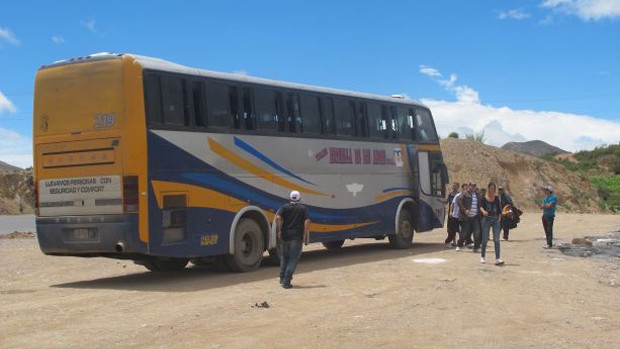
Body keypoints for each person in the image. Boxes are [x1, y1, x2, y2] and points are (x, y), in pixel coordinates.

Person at [275, 190, 311, 289]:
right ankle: (286, 281)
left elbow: (278, 217)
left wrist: (279, 230)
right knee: (293, 258)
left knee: (284, 257)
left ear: (290, 198)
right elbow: (307, 220)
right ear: (299, 199)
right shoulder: (303, 208)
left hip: (285, 236)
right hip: (296, 236)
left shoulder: (285, 207)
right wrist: (304, 233)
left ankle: (282, 278)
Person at [479, 182, 504, 265]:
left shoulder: (496, 198)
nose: (492, 190)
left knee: (496, 239)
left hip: (495, 220)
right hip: (486, 219)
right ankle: (482, 256)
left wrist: (499, 219)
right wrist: (483, 212)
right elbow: (480, 207)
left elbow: (500, 210)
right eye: (491, 188)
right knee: (485, 239)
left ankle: (497, 258)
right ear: (488, 188)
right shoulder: (484, 198)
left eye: (494, 189)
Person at [456, 182, 481, 252]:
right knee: (464, 233)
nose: (474, 187)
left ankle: (476, 247)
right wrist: (464, 210)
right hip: (466, 217)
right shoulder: (464, 194)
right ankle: (459, 245)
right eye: (472, 186)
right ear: (469, 186)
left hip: (475, 217)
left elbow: (480, 204)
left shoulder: (477, 194)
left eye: (475, 186)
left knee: (477, 232)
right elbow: (458, 201)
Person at [444, 182, 460, 246]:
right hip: (450, 214)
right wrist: (439, 200)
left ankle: (460, 241)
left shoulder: (459, 195)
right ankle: (454, 241)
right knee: (451, 228)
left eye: (455, 186)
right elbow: (446, 202)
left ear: (458, 187)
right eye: (453, 186)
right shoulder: (450, 194)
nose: (453, 187)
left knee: (458, 228)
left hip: (457, 214)